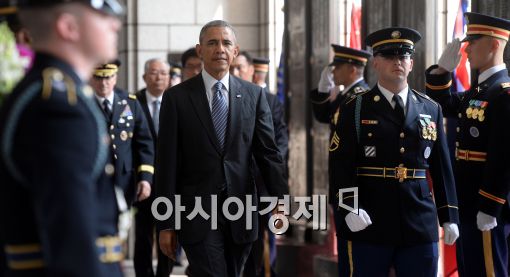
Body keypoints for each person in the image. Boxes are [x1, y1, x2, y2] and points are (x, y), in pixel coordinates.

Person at [156, 20, 288, 277]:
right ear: (199, 50)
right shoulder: (177, 98)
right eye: (212, 43)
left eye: (226, 43)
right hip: (196, 214)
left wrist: (280, 199)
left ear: (235, 51)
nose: (220, 49)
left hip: (242, 211)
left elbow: (268, 153)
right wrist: (166, 223)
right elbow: (167, 164)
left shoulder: (254, 96)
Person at [0, 0, 123, 276]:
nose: (115, 24)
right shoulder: (58, 105)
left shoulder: (59, 93)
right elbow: (71, 234)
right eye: (103, 16)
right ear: (68, 27)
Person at [330, 27, 460, 276]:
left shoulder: (430, 108)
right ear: (375, 63)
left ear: (411, 64)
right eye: (389, 56)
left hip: (419, 221)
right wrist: (348, 207)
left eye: (403, 57)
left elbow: (442, 168)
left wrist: (449, 214)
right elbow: (341, 165)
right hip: (369, 218)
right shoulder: (355, 108)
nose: (397, 62)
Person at [425, 12, 510, 277]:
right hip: (467, 200)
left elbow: (503, 157)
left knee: (489, 269)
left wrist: (490, 205)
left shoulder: (503, 92)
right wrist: (441, 73)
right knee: (470, 267)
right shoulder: (479, 91)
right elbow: (443, 105)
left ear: (495, 44)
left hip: (486, 204)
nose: (467, 48)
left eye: (474, 41)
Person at [309, 44, 370, 274]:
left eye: (338, 68)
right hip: (342, 179)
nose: (333, 73)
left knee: (353, 249)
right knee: (345, 243)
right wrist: (323, 90)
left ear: (353, 70)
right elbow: (324, 115)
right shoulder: (347, 95)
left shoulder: (359, 97)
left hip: (352, 180)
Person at [230, 52, 289, 277]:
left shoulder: (270, 100)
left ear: (250, 70)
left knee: (265, 235)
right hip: (235, 184)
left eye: (240, 68)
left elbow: (278, 141)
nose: (236, 72)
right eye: (232, 68)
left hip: (263, 182)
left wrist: (267, 165)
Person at [90, 61, 154, 206]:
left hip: (124, 180)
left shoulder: (129, 102)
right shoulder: (84, 102)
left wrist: (145, 178)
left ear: (115, 78)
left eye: (108, 77)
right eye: (99, 77)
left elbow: (144, 142)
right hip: (93, 180)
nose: (104, 83)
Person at [134, 58, 174, 277]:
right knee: (143, 234)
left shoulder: (176, 100)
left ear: (169, 77)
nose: (158, 77)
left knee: (168, 231)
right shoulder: (132, 102)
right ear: (144, 77)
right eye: (153, 73)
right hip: (143, 181)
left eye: (163, 73)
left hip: (169, 182)